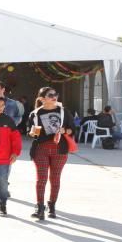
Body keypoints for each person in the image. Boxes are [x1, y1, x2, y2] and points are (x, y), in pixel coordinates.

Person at [27, 87, 75, 221]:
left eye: (55, 94)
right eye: (51, 95)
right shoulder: (35, 114)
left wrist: (65, 131)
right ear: (42, 99)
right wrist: (32, 132)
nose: (54, 97)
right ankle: (40, 208)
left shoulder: (64, 112)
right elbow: (32, 132)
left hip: (59, 149)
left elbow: (73, 129)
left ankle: (52, 205)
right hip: (40, 149)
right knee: (41, 179)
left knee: (55, 178)